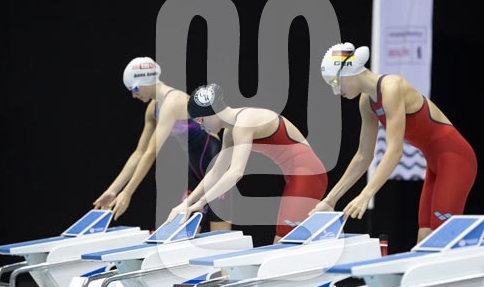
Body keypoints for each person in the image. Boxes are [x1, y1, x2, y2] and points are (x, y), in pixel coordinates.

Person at [310, 42, 477, 243]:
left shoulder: (391, 87)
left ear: (349, 71)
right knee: (424, 236)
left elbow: (395, 152)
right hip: (434, 164)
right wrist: (330, 200)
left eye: (335, 82)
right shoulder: (366, 102)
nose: (336, 91)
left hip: (456, 159)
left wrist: (366, 194)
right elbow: (363, 156)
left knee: (443, 239)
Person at [167, 83, 329, 244]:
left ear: (211, 112)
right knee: (291, 240)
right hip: (296, 176)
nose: (201, 126)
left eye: (200, 120)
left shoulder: (243, 123)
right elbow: (216, 172)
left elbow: (236, 173)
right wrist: (187, 203)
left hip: (308, 174)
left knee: (283, 241)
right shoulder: (230, 131)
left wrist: (202, 202)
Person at [93, 57, 231, 232]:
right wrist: (113, 190)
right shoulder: (153, 108)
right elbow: (139, 153)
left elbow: (151, 153)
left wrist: (128, 192)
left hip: (214, 160)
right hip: (194, 166)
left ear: (146, 80)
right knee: (185, 229)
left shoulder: (172, 102)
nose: (134, 95)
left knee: (219, 233)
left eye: (135, 89)